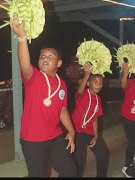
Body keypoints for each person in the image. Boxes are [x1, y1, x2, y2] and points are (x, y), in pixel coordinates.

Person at [10, 18, 77, 177]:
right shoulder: (34, 77)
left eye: (50, 56)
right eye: (42, 55)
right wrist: (22, 38)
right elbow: (25, 64)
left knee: (70, 171)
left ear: (59, 63)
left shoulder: (62, 85)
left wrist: (71, 131)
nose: (45, 58)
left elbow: (62, 110)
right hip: (32, 140)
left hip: (54, 137)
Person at [71, 63, 110, 177]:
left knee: (103, 154)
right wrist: (87, 74)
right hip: (77, 132)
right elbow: (79, 90)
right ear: (88, 83)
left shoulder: (98, 99)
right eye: (95, 82)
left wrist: (96, 136)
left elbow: (95, 118)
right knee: (79, 161)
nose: (98, 85)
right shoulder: (82, 95)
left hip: (89, 132)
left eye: (100, 83)